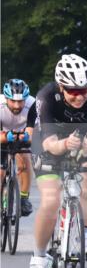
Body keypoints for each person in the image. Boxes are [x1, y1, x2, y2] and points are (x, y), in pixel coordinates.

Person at [29, 54, 87, 268]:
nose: (79, 96)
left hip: (80, 140)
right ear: (61, 87)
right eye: (73, 91)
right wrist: (64, 145)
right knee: (51, 199)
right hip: (48, 143)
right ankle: (38, 256)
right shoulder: (46, 97)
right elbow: (48, 143)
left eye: (84, 90)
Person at [1, 79, 37, 217]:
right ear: (6, 98)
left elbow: (33, 132)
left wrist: (26, 137)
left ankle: (23, 198)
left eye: (21, 101)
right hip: (3, 135)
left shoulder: (33, 104)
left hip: (23, 135)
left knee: (25, 163)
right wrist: (6, 137)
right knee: (0, 172)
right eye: (13, 101)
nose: (17, 105)